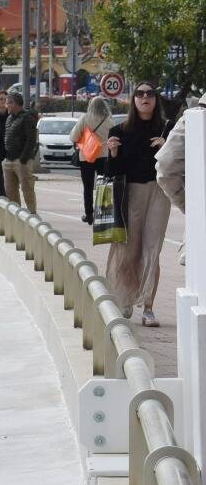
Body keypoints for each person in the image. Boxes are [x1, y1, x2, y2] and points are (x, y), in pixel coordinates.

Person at [105, 84, 174, 326]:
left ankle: (148, 307)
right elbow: (113, 172)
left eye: (150, 94)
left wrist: (167, 147)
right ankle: (124, 298)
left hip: (159, 192)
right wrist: (113, 153)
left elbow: (176, 166)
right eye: (140, 94)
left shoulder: (168, 129)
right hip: (131, 193)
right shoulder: (119, 130)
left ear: (156, 100)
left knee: (152, 248)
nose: (145, 98)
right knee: (129, 248)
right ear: (133, 99)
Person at [72, 97, 114, 223]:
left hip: (87, 156)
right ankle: (103, 214)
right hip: (104, 156)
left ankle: (89, 215)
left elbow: (74, 136)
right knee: (104, 186)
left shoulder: (85, 118)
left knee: (88, 187)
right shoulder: (109, 120)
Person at [0, 91, 40, 212]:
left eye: (8, 103)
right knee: (10, 191)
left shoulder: (27, 118)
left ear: (16, 104)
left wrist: (24, 159)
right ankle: (16, 216)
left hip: (21, 161)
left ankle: (32, 214)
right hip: (9, 160)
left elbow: (31, 139)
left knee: (27, 189)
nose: (6, 106)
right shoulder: (9, 118)